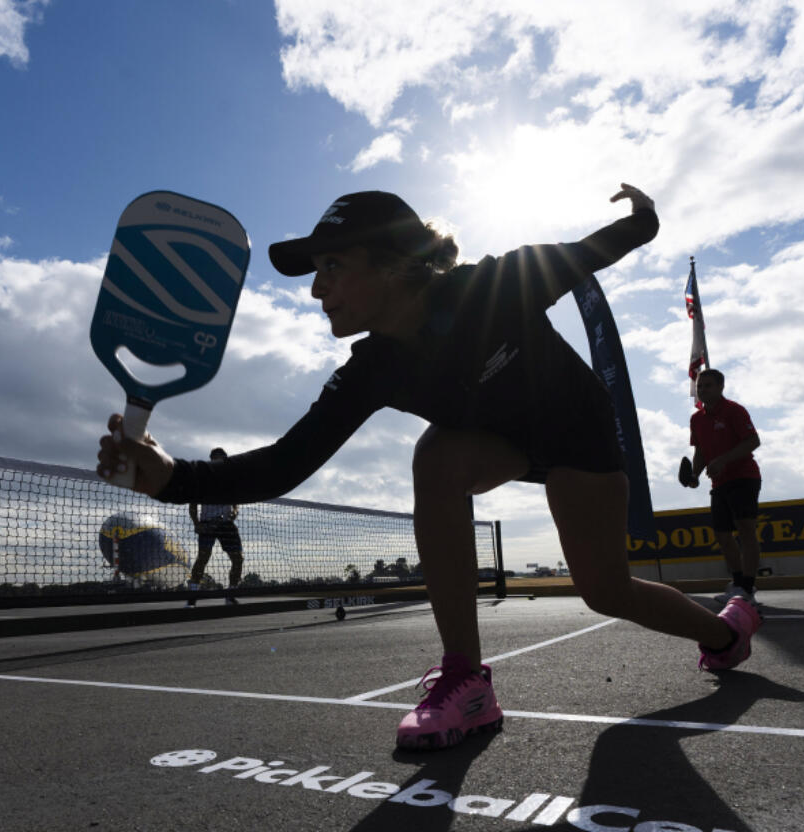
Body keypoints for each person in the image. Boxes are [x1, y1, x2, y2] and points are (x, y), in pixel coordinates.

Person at [96, 185, 762, 752]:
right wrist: (174, 479)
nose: (316, 288)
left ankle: (725, 631)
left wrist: (644, 219)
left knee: (606, 592)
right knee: (436, 457)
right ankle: (467, 681)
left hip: (577, 436)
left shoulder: (492, 288)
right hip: (498, 442)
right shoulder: (374, 366)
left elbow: (594, 251)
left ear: (391, 266)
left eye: (331, 266)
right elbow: (287, 462)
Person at [687, 368, 763, 605]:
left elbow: (753, 441)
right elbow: (699, 451)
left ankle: (748, 588)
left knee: (745, 529)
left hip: (743, 477)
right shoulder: (696, 419)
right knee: (722, 535)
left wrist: (723, 460)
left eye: (708, 385)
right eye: (700, 386)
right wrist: (694, 474)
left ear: (720, 387)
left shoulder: (734, 410)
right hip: (718, 482)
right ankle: (738, 584)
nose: (702, 390)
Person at [186, 448, 244, 607]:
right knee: (203, 558)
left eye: (221, 459)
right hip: (207, 524)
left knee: (238, 558)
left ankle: (230, 595)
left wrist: (234, 511)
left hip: (226, 524)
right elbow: (193, 505)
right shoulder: (202, 479)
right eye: (215, 459)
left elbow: (235, 504)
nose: (218, 462)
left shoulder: (230, 481)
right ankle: (192, 597)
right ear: (211, 460)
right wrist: (196, 524)